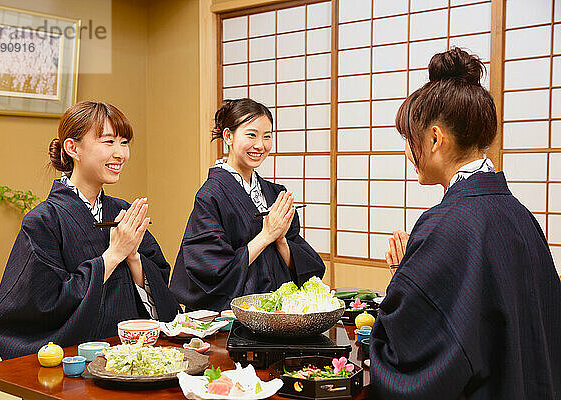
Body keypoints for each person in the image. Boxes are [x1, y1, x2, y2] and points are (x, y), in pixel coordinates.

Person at [371, 48, 561, 399]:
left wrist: (401, 280)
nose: (410, 151)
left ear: (434, 138)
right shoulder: (519, 215)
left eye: (411, 139)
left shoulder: (445, 225)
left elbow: (412, 354)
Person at [0, 101, 180, 359]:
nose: (121, 153)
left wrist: (134, 257)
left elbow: (160, 284)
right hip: (78, 361)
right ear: (73, 148)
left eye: (124, 143)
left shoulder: (122, 211)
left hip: (134, 358)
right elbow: (43, 305)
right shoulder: (43, 220)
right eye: (108, 142)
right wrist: (113, 256)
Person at [169, 98, 325, 312]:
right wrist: (266, 236)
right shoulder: (211, 195)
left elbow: (307, 267)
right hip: (235, 316)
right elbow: (211, 270)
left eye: (267, 136)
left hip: (279, 312)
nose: (260, 145)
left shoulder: (274, 193)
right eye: (251, 135)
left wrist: (280, 240)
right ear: (228, 136)